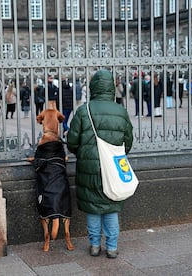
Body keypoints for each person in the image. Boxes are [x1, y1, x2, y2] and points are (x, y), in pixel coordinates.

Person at [66, 69, 133, 259]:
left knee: (93, 208)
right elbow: (128, 142)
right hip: (112, 166)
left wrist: (83, 153)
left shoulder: (83, 110)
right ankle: (111, 247)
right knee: (111, 207)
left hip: (88, 167)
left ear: (94, 87)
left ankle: (94, 245)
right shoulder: (121, 111)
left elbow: (72, 141)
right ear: (111, 88)